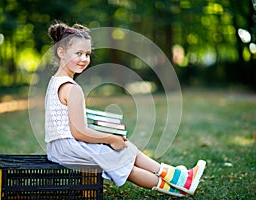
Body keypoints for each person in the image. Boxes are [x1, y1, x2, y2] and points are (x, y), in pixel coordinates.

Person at [45, 21, 206, 197]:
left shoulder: (55, 81)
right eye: (79, 53)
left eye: (87, 54)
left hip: (59, 149)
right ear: (61, 52)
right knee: (122, 159)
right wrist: (110, 139)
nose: (84, 59)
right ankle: (177, 187)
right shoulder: (72, 88)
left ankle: (178, 178)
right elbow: (79, 132)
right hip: (71, 149)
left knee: (127, 149)